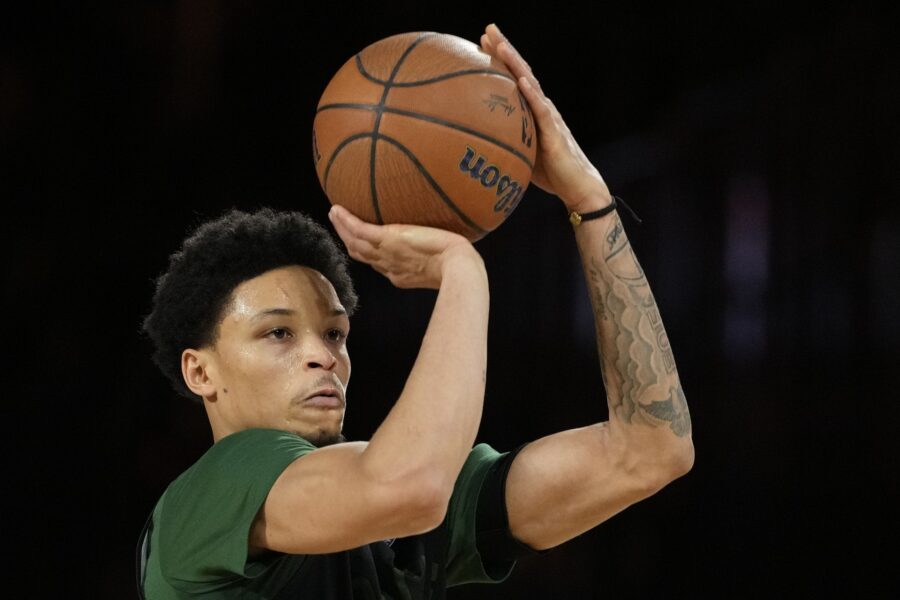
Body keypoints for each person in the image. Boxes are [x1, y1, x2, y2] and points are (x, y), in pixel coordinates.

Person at [136, 23, 694, 599]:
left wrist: (589, 201)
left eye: (335, 334)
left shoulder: (390, 521)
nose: (322, 357)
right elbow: (411, 487)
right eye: (278, 332)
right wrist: (462, 269)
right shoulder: (216, 487)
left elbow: (653, 450)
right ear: (200, 371)